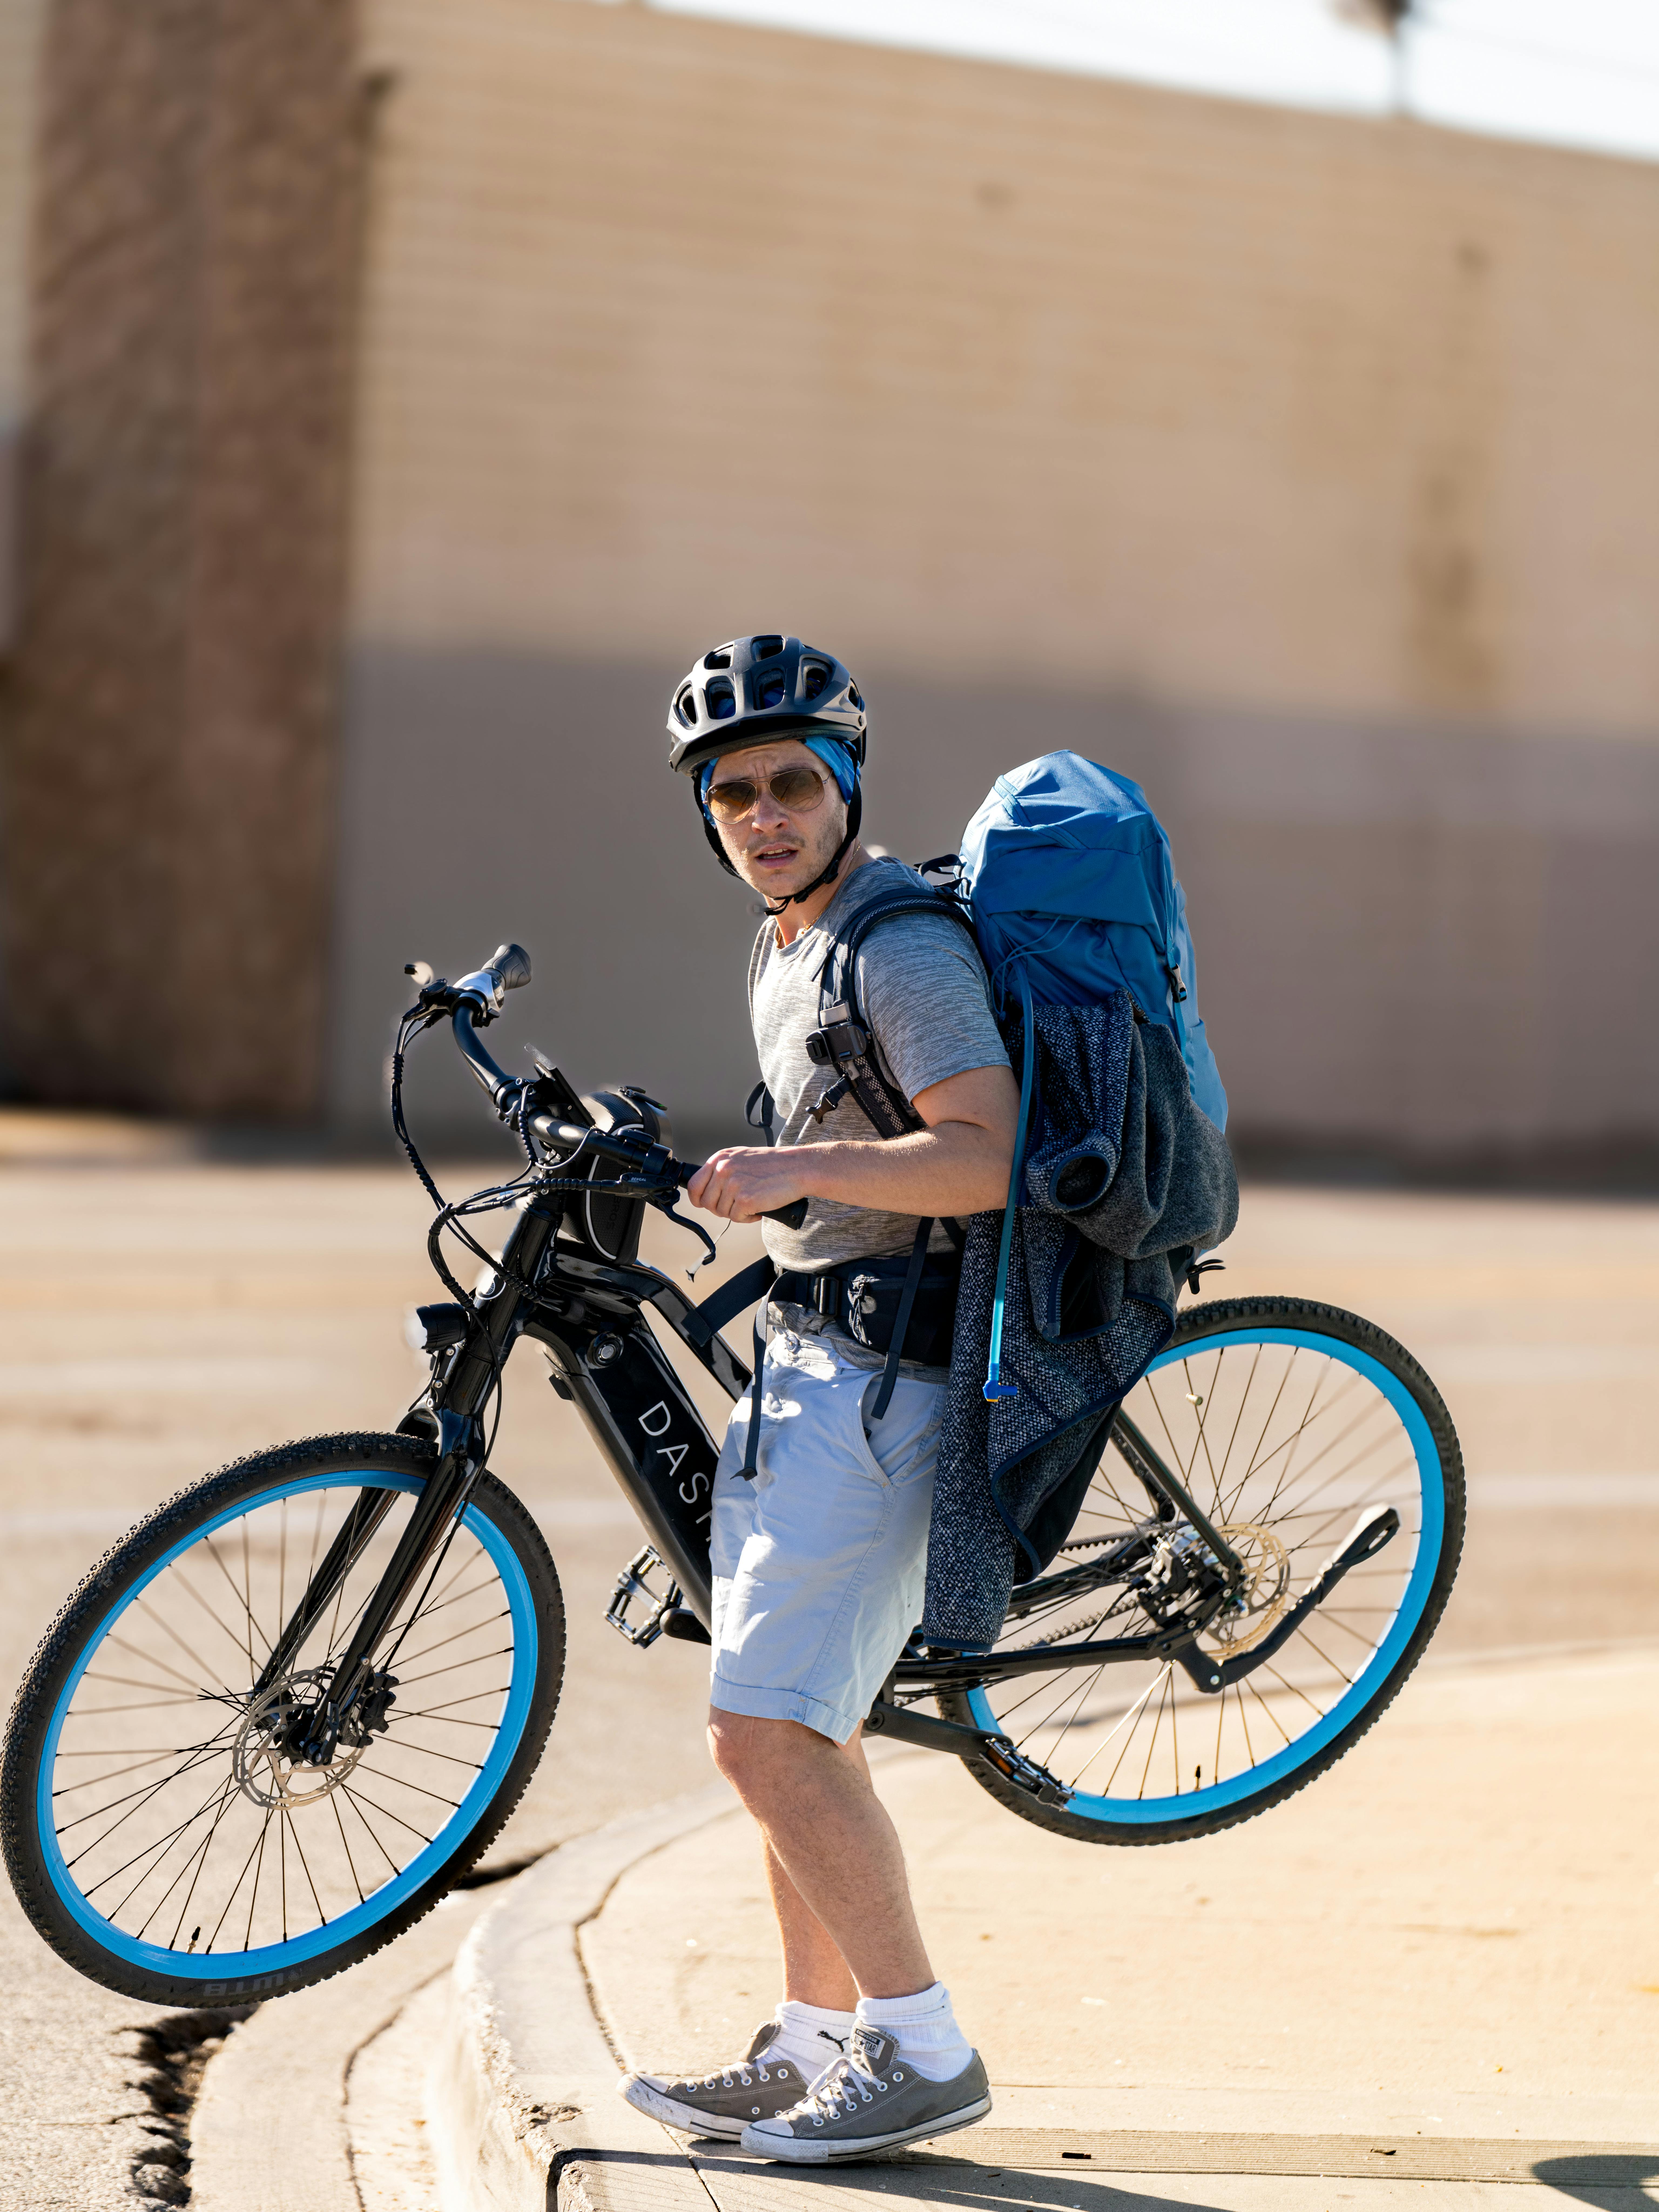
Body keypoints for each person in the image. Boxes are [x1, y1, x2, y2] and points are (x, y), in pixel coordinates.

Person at [619, 638, 1019, 2163]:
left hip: (891, 1380)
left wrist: (791, 1171)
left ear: (847, 786)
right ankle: (812, 2047)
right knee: (810, 1721)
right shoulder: (790, 936)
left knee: (762, 1736)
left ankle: (921, 2048)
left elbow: (981, 1155)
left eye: (794, 784)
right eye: (733, 794)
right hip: (813, 1363)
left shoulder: (894, 945)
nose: (764, 813)